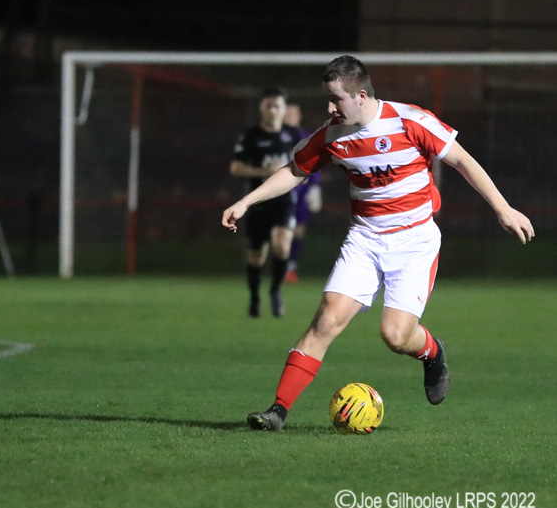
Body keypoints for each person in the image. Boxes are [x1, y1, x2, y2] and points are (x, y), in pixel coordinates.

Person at [222, 55, 534, 431]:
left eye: (336, 99)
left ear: (362, 94)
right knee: (326, 319)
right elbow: (294, 171)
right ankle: (278, 411)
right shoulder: (331, 134)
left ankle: (433, 352)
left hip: (415, 241)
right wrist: (245, 201)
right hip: (365, 239)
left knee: (395, 335)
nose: (330, 107)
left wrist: (504, 209)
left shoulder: (410, 120)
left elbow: (464, 162)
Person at [230, 87, 301, 317]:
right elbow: (236, 167)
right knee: (257, 254)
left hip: (284, 200)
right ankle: (254, 297)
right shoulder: (251, 136)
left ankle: (275, 290)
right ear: (262, 108)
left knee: (282, 246)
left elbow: (305, 164)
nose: (272, 110)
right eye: (268, 106)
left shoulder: (293, 135)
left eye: (276, 106)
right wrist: (264, 170)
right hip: (258, 201)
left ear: (283, 110)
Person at [281, 104, 322, 283]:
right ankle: (279, 267)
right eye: (288, 113)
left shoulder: (307, 136)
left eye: (295, 113)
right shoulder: (275, 136)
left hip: (303, 191)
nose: (292, 116)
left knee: (298, 231)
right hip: (282, 191)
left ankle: (290, 269)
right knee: (282, 231)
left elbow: (315, 162)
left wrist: (315, 186)